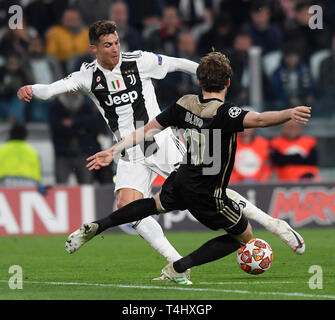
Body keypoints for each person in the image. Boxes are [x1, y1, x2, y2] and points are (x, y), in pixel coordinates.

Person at [18, 20, 305, 282]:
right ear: (94, 49)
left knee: (206, 187)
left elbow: (178, 63)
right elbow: (51, 89)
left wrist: (209, 77)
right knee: (127, 208)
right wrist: (30, 87)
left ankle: (274, 224)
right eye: (108, 45)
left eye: (117, 42)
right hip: (128, 150)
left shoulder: (139, 61)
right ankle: (177, 264)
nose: (115, 48)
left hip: (160, 140)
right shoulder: (86, 77)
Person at [0, 123, 41, 187]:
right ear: (25, 136)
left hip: (6, 182)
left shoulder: (2, 150)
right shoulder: (33, 152)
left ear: (10, 135)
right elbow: (38, 174)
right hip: (29, 182)